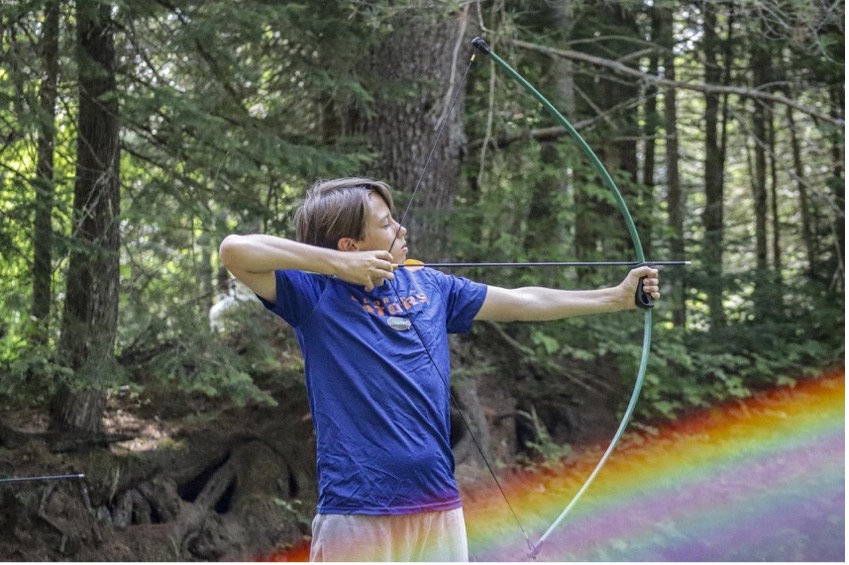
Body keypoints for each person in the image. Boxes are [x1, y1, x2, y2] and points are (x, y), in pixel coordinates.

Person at [219, 177, 660, 562]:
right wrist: (337, 265)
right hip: (358, 510)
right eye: (386, 224)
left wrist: (616, 297)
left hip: (438, 504)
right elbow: (235, 250)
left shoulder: (429, 285)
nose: (401, 228)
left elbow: (523, 301)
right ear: (350, 246)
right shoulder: (313, 295)